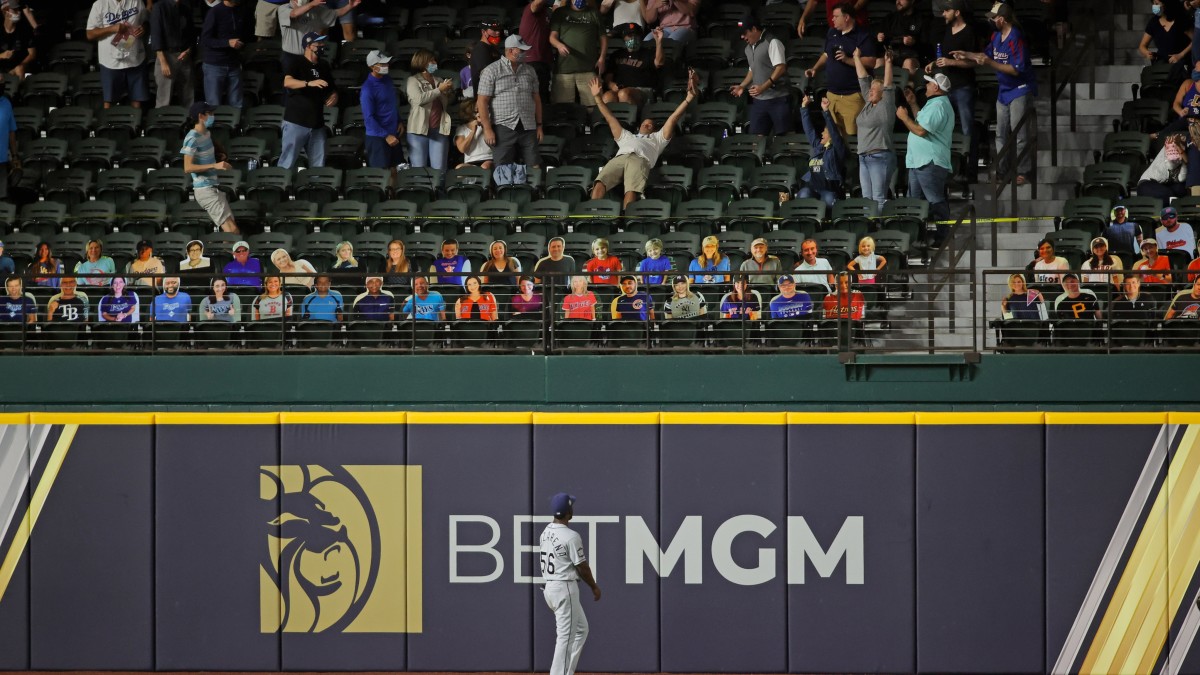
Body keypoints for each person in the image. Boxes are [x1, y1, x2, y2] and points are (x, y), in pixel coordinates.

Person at [953, 2, 1038, 186]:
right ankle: (1002, 170)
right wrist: (966, 54)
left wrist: (991, 64)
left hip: (1020, 88)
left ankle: (1022, 171)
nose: (991, 20)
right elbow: (986, 55)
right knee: (1000, 133)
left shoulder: (1016, 37)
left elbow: (1016, 70)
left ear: (1002, 19)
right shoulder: (996, 36)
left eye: (993, 17)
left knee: (1019, 133)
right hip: (1004, 90)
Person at [589, 73, 697, 209]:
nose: (646, 125)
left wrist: (688, 98)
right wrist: (597, 98)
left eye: (650, 124)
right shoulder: (627, 136)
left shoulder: (657, 139)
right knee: (600, 182)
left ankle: (627, 218)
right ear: (639, 126)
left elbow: (673, 118)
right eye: (644, 123)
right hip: (620, 158)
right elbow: (610, 118)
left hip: (640, 160)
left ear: (654, 129)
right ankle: (592, 211)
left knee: (631, 189)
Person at [540, 492, 601, 675]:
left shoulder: (545, 532)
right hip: (564, 588)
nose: (573, 508)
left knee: (581, 629)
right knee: (565, 638)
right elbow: (582, 567)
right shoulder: (571, 536)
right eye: (571, 506)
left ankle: (566, 672)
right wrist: (594, 586)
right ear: (568, 512)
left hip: (551, 588)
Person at [803, 2, 878, 137]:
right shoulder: (832, 32)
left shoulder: (862, 35)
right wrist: (815, 68)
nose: (832, 19)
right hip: (832, 95)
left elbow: (871, 61)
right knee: (833, 138)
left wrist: (848, 60)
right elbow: (826, 54)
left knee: (853, 138)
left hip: (853, 96)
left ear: (847, 17)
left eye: (836, 16)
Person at [477, 35, 543, 184]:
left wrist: (539, 125)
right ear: (511, 51)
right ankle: (504, 198)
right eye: (521, 50)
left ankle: (534, 193)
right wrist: (487, 129)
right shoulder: (491, 70)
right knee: (502, 167)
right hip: (502, 125)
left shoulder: (530, 70)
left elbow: (537, 99)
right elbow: (482, 102)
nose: (525, 53)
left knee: (534, 164)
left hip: (528, 124)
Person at [897, 72, 955, 232]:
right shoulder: (935, 103)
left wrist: (903, 117)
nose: (926, 86)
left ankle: (943, 237)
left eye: (929, 83)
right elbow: (922, 122)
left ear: (936, 87)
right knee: (915, 204)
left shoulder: (938, 105)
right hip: (920, 161)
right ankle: (918, 237)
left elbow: (921, 131)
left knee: (935, 201)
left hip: (930, 162)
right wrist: (913, 104)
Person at [931, 0, 978, 173]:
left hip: (963, 88)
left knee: (967, 129)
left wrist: (951, 61)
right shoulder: (947, 30)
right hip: (946, 87)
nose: (943, 14)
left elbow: (974, 63)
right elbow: (944, 56)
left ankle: (970, 170)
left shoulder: (968, 32)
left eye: (946, 11)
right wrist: (933, 63)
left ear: (957, 12)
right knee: (944, 128)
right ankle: (947, 167)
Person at [279, 32, 336, 170]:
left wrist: (334, 96)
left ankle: (316, 191)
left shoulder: (323, 65)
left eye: (323, 43)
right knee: (287, 163)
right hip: (296, 122)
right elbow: (287, 82)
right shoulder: (296, 62)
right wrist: (308, 83)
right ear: (309, 46)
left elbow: (332, 88)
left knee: (318, 167)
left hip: (317, 124)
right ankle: (282, 189)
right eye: (319, 43)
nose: (322, 46)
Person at [181, 102, 240, 233]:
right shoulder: (191, 138)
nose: (213, 116)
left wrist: (221, 155)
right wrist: (215, 165)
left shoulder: (206, 133)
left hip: (214, 187)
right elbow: (187, 167)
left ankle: (225, 253)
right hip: (204, 190)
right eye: (210, 113)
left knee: (230, 231)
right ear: (201, 116)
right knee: (232, 231)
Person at [731, 15, 790, 135]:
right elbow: (752, 70)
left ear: (754, 29)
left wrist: (763, 87)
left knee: (785, 139)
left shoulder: (772, 42)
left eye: (745, 33)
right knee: (756, 141)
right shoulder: (748, 48)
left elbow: (781, 67)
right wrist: (742, 86)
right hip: (759, 102)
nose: (743, 37)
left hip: (778, 99)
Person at [854, 48, 897, 210]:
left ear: (882, 94)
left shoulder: (885, 105)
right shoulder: (868, 103)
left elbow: (887, 85)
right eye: (870, 89)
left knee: (878, 198)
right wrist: (856, 57)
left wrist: (887, 63)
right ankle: (868, 232)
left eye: (874, 89)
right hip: (863, 157)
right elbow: (863, 79)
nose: (870, 91)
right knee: (866, 199)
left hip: (880, 156)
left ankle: (879, 232)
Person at [87, 0, 150, 108]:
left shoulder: (137, 2)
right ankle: (108, 124)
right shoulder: (99, 4)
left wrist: (143, 28)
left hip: (135, 57)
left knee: (137, 100)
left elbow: (146, 22)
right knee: (109, 101)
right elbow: (90, 34)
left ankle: (135, 124)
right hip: (110, 60)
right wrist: (112, 28)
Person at [549, 0, 606, 108]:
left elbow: (603, 37)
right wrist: (559, 45)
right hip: (564, 69)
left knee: (594, 106)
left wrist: (602, 58)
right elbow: (552, 37)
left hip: (588, 68)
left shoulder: (594, 13)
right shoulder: (560, 12)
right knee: (562, 109)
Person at [407, 48, 454, 171]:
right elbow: (419, 100)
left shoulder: (438, 80)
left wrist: (448, 91)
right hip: (418, 130)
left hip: (439, 129)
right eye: (431, 60)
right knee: (419, 170)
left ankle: (438, 191)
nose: (434, 63)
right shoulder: (413, 80)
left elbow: (445, 102)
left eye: (434, 60)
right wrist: (439, 90)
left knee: (440, 170)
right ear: (422, 62)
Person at [361, 49, 406, 179]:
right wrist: (386, 136)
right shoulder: (367, 89)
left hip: (393, 133)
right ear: (372, 67)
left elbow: (391, 104)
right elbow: (369, 118)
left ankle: (393, 198)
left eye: (386, 63)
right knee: (380, 176)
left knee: (395, 171)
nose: (386, 66)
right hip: (377, 138)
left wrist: (399, 121)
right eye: (382, 64)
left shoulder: (387, 80)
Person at [278, 0, 355, 73]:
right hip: (290, 56)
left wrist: (350, 6)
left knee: (313, 83)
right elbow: (294, 14)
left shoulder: (316, 10)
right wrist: (312, 4)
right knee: (291, 83)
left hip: (310, 56)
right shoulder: (284, 8)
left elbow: (335, 13)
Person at [797, 96, 847, 207]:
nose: (822, 134)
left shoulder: (837, 150)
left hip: (828, 190)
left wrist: (826, 111)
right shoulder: (818, 147)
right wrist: (804, 107)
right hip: (813, 189)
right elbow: (809, 130)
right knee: (803, 193)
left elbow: (834, 132)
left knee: (829, 199)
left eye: (825, 132)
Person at [602, 23, 663, 108]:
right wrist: (611, 85)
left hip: (643, 90)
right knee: (607, 97)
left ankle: (633, 120)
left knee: (624, 94)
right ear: (624, 38)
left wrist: (658, 42)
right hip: (619, 89)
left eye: (636, 35)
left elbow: (659, 63)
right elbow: (608, 76)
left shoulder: (647, 53)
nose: (633, 38)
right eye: (630, 35)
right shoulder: (617, 54)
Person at [149, 0, 196, 109]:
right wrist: (163, 61)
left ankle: (189, 124)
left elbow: (192, 35)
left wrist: (188, 50)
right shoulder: (159, 7)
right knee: (164, 100)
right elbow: (156, 35)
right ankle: (161, 125)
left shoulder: (185, 8)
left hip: (184, 56)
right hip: (166, 55)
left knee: (188, 98)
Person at [200, 0, 246, 108]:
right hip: (214, 65)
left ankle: (236, 125)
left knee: (237, 104)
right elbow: (205, 40)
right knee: (213, 105)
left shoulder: (241, 11)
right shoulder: (215, 12)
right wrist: (227, 43)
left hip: (234, 64)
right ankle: (214, 125)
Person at [877, 0, 929, 77]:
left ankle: (908, 88)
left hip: (912, 56)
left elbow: (927, 46)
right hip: (892, 54)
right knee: (879, 61)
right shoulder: (890, 18)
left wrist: (914, 42)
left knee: (909, 63)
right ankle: (878, 88)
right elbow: (880, 44)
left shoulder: (921, 19)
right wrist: (879, 38)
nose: (898, 1)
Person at [1137, 133, 1189, 205]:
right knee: (1167, 194)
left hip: (1164, 185)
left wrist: (1184, 161)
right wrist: (1180, 150)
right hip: (1147, 183)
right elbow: (1170, 165)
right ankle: (1170, 214)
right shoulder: (1168, 149)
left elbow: (1181, 178)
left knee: (1181, 189)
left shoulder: (1183, 156)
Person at [1139, 0, 1193, 69]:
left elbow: (1196, 40)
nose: (1154, 6)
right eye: (1153, 3)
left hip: (1182, 65)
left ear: (1166, 4)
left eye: (1157, 3)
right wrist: (1146, 53)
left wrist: (1180, 55)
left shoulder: (1181, 20)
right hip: (1161, 66)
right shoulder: (1154, 22)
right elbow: (1142, 46)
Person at [521, 0, 555, 100]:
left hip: (543, 61)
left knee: (543, 96)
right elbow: (536, 3)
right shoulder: (530, 9)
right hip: (533, 61)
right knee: (535, 97)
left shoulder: (545, 13)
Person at [0, 0, 37, 78]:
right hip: (2, 70)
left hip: (21, 69)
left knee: (19, 69)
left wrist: (22, 65)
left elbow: (32, 54)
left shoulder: (25, 30)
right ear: (5, 12)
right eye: (14, 10)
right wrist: (2, 55)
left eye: (18, 9)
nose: (18, 12)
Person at [455, 99, 494, 170]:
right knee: (459, 168)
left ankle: (478, 171)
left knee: (485, 167)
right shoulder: (461, 129)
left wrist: (484, 125)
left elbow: (492, 143)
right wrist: (473, 131)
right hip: (470, 161)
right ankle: (476, 170)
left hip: (487, 158)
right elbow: (462, 149)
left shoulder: (488, 125)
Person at [469, 20, 503, 96]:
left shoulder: (493, 48)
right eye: (494, 30)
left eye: (498, 30)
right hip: (485, 96)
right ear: (483, 32)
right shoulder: (480, 49)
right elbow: (486, 76)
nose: (497, 32)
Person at [0, 76, 15, 202]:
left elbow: (11, 132)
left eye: (2, 82)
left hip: (2, 161)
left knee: (2, 198)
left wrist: (14, 155)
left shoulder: (6, 103)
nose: (1, 84)